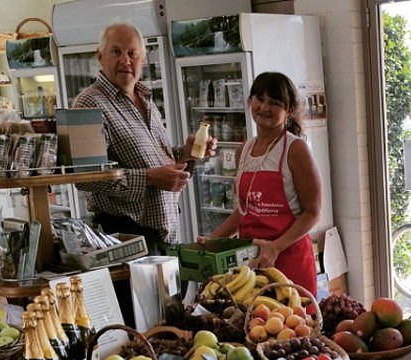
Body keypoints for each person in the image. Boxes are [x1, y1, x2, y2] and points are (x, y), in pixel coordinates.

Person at [73, 21, 216, 255]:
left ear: (143, 59)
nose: (125, 61)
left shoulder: (146, 100)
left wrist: (185, 153)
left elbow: (157, 160)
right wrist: (149, 178)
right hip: (122, 236)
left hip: (162, 235)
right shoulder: (88, 103)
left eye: (132, 53)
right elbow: (85, 176)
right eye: (116, 52)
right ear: (100, 57)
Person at [198, 72, 321, 295]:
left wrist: (276, 246)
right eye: (260, 99)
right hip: (251, 263)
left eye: (275, 103)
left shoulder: (295, 149)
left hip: (289, 259)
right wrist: (212, 240)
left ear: (288, 111)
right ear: (250, 101)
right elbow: (244, 211)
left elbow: (312, 212)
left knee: (294, 327)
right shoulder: (243, 150)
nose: (265, 108)